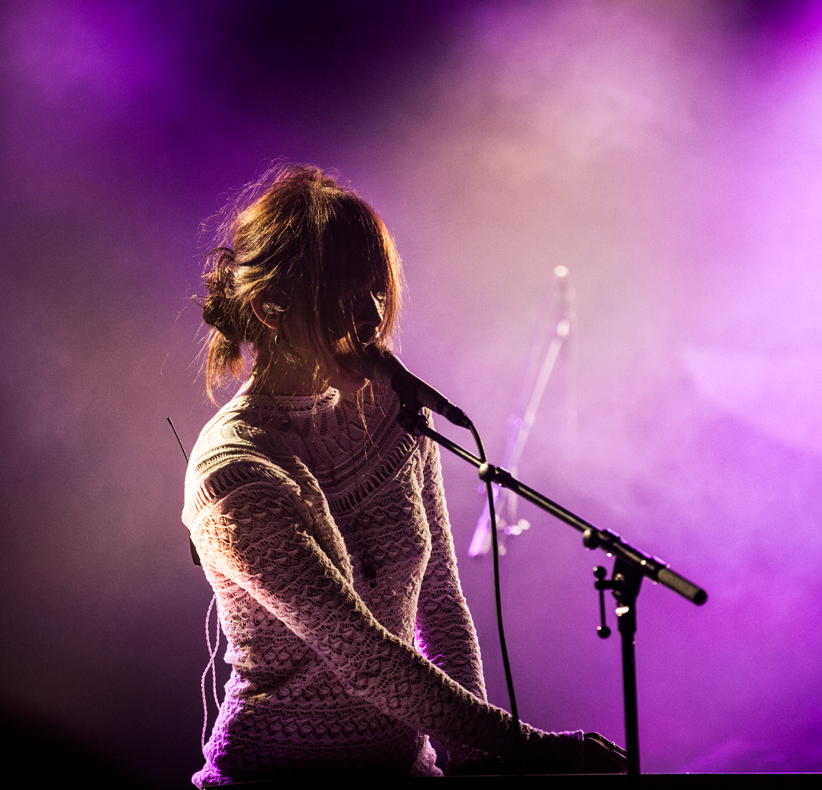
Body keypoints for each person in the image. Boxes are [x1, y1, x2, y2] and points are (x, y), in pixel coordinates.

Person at [185, 165, 624, 786]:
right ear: (270, 308)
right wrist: (536, 750)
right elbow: (363, 657)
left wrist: (475, 757)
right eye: (345, 295)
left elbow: (438, 599)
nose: (372, 316)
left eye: (377, 289)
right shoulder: (233, 471)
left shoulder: (394, 412)